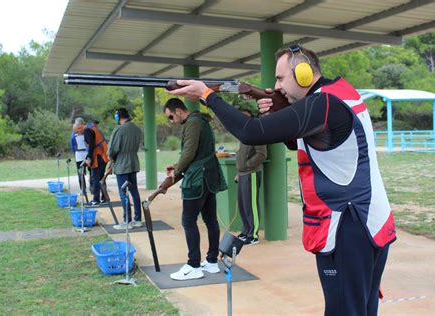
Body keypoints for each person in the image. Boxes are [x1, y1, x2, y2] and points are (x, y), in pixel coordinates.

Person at [167, 45, 397, 315]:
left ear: (303, 74)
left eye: (279, 78)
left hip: (348, 225)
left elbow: (250, 132)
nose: (275, 86)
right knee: (362, 308)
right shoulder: (339, 94)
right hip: (369, 221)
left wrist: (207, 95)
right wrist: (279, 113)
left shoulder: (322, 104)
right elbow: (313, 141)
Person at [163, 98, 227, 281]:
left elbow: (189, 152)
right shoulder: (201, 121)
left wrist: (176, 171)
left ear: (177, 111)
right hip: (208, 176)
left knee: (188, 221)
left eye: (170, 117)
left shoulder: (192, 123)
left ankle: (193, 265)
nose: (171, 121)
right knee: (210, 220)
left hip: (198, 178)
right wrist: (177, 166)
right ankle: (212, 261)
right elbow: (196, 153)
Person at [234, 109, 267, 245]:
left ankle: (253, 235)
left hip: (252, 173)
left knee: (251, 204)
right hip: (242, 174)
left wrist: (247, 165)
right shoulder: (244, 133)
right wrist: (240, 171)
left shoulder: (256, 131)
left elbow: (262, 154)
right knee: (243, 204)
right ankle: (246, 231)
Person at [107, 108, 143, 230]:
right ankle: (137, 219)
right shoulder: (136, 129)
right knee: (134, 191)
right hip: (133, 162)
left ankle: (127, 221)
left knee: (123, 192)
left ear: (119, 116)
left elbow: (112, 149)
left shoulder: (119, 129)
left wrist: (111, 160)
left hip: (122, 164)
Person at [73, 117, 109, 207]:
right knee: (101, 178)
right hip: (102, 155)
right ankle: (104, 198)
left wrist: (89, 158)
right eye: (76, 130)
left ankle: (96, 200)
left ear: (82, 125)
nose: (78, 132)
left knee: (95, 177)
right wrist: (88, 157)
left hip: (99, 156)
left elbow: (92, 145)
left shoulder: (88, 131)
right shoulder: (91, 128)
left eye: (79, 129)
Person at [70, 123, 89, 196]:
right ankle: (83, 189)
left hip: (86, 152)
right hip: (78, 154)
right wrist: (76, 151)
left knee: (91, 170)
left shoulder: (86, 132)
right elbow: (72, 145)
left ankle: (92, 186)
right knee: (80, 172)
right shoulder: (73, 135)